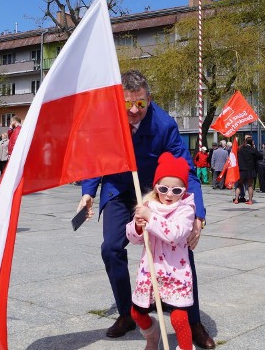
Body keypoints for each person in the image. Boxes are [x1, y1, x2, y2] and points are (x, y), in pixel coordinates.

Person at [78, 70, 215, 349]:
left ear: (149, 99)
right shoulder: (109, 122)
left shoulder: (164, 125)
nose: (133, 110)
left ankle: (193, 320)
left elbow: (187, 171)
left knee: (182, 247)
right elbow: (97, 158)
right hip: (119, 188)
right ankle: (128, 313)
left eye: (140, 103)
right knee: (111, 249)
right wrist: (88, 193)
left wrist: (198, 215)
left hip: (156, 193)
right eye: (128, 103)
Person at [126, 152, 196, 350]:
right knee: (137, 313)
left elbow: (174, 234)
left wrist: (151, 218)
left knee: (179, 318)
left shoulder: (185, 210)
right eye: (163, 188)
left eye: (177, 190)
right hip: (150, 271)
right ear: (156, 187)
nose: (169, 195)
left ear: (184, 190)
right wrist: (138, 226)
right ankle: (152, 334)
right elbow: (133, 238)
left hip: (175, 272)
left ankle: (185, 347)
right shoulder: (147, 205)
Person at [235, 137, 262, 205]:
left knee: (239, 185)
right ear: (251, 142)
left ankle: (236, 199)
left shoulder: (240, 149)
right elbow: (260, 156)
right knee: (250, 185)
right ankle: (250, 200)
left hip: (241, 170)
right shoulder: (253, 150)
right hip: (250, 170)